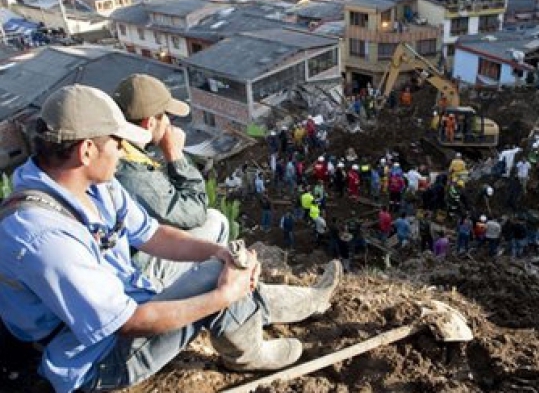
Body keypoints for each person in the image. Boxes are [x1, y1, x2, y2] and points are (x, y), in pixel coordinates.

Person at [0, 85, 342, 393]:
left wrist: (219, 251)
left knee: (220, 265)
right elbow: (129, 324)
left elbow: (153, 234)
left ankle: (311, 301)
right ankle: (248, 354)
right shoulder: (43, 237)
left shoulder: (92, 185)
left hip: (125, 296)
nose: (121, 152)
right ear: (86, 150)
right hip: (94, 359)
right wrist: (222, 295)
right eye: (117, 143)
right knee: (215, 282)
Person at [112, 74, 227, 244]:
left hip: (123, 240)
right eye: (165, 115)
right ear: (149, 123)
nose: (168, 122)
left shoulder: (112, 147)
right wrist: (175, 155)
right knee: (216, 221)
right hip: (134, 255)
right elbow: (194, 211)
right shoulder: (131, 172)